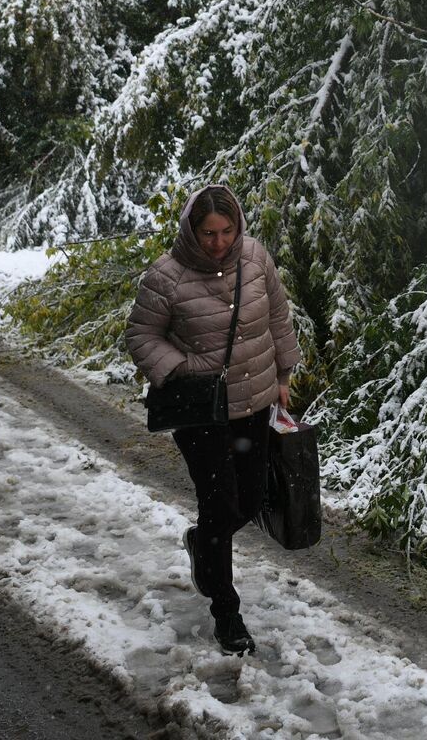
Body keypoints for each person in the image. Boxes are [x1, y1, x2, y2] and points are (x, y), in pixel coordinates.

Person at [122, 183, 299, 654]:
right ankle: (227, 612)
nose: (218, 242)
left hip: (255, 402)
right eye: (208, 233)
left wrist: (283, 373)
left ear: (238, 226)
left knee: (254, 498)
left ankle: (201, 542)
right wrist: (182, 370)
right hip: (201, 413)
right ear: (190, 230)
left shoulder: (256, 259)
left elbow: (277, 317)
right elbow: (141, 335)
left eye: (226, 231)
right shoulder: (166, 277)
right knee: (220, 507)